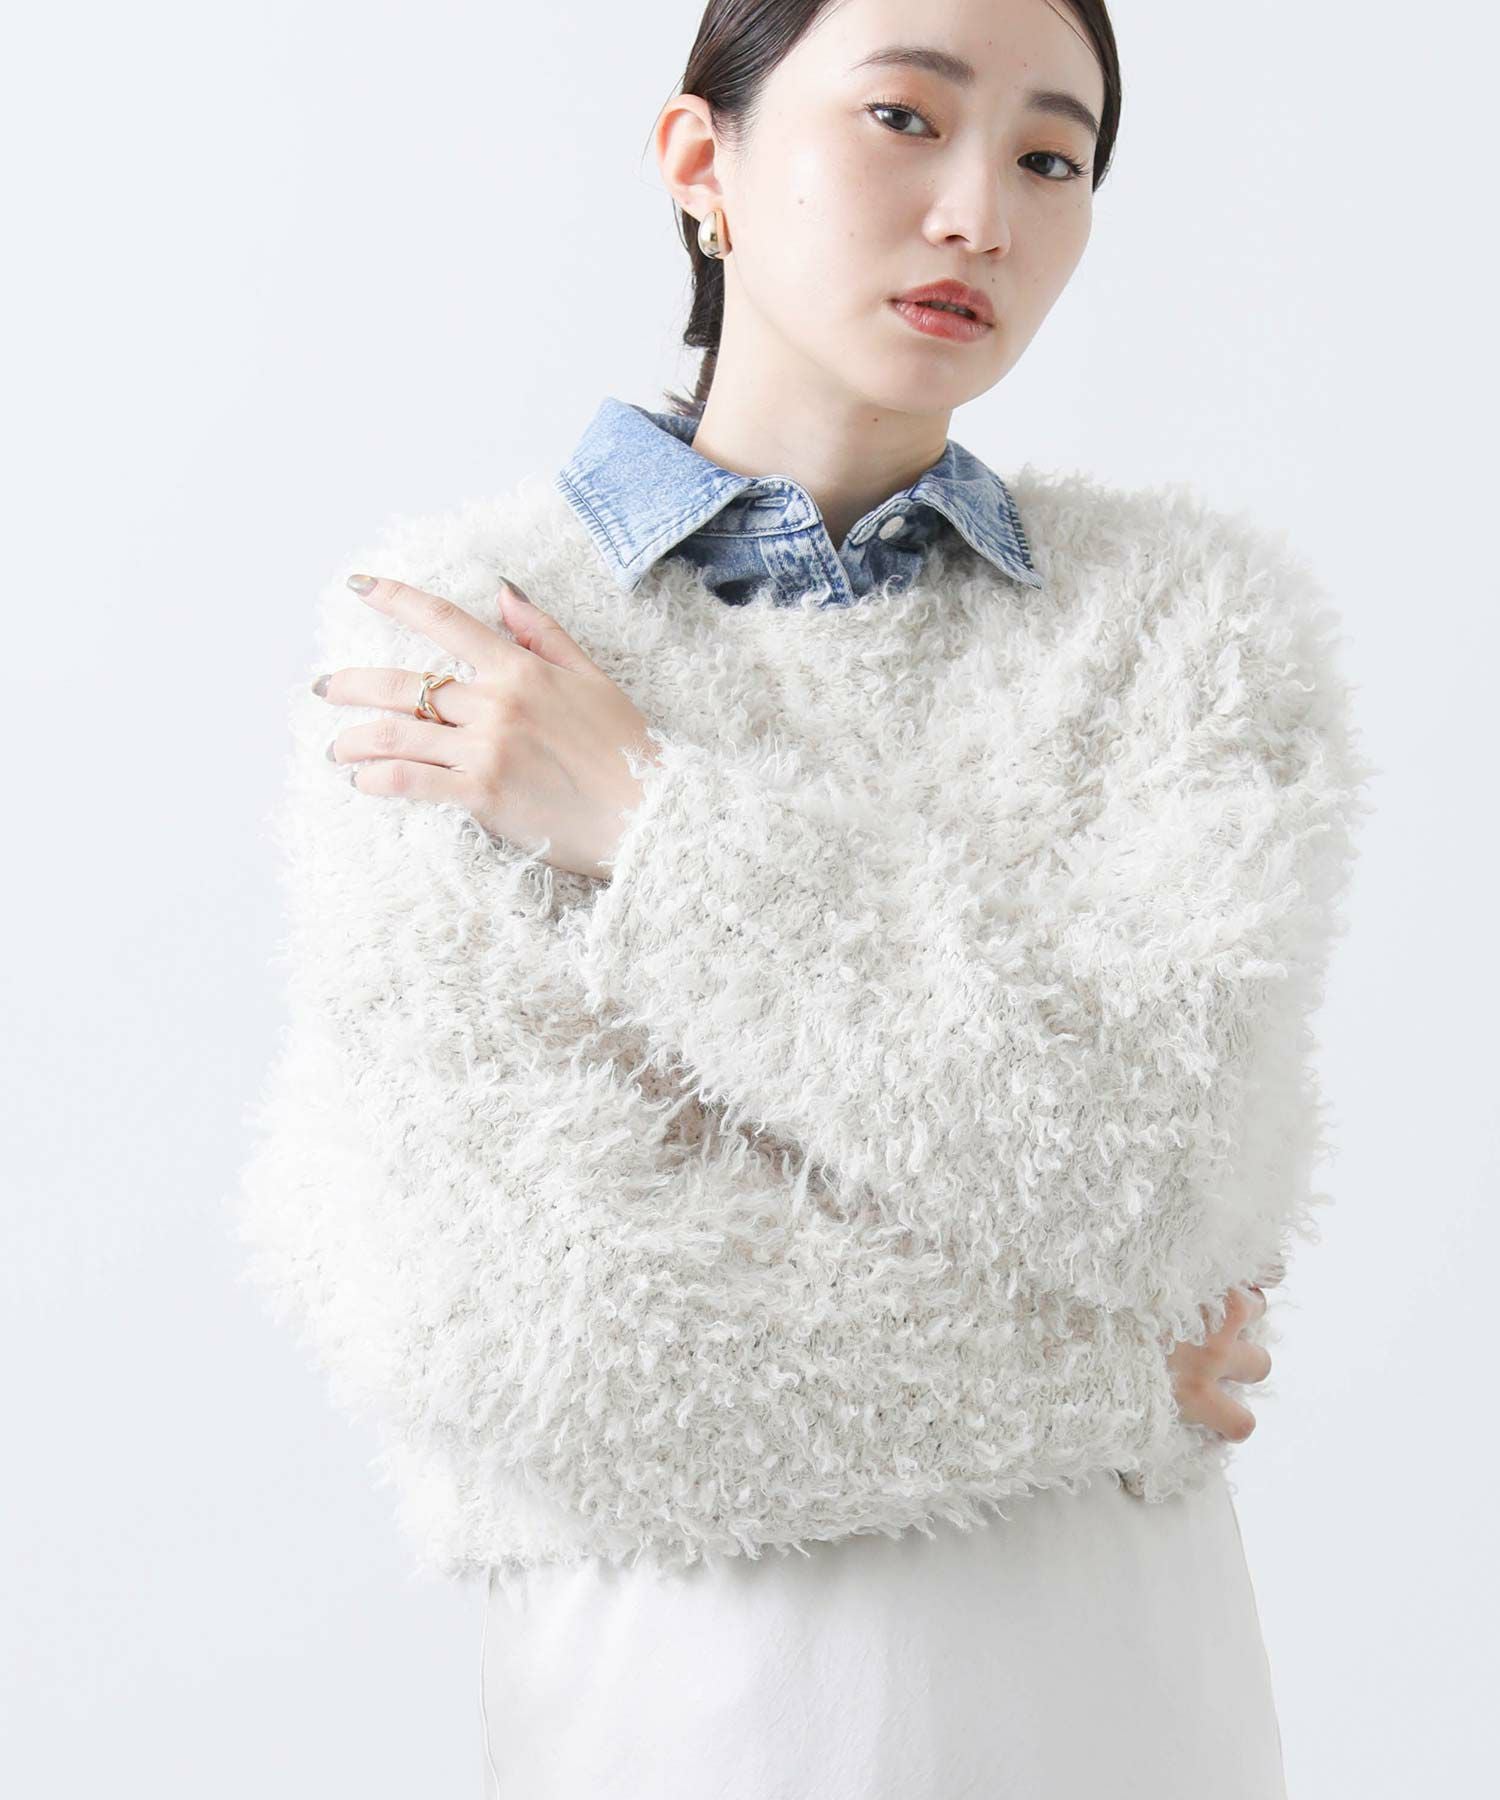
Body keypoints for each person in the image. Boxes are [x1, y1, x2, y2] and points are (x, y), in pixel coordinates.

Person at [233, 1, 1372, 1793]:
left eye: (1050, 155)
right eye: (905, 117)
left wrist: (647, 823)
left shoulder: (1188, 630)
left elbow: (1164, 1173)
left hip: (1126, 1696)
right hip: (679, 1705)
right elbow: (521, 1327)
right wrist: (1109, 1381)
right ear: (702, 160)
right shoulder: (468, 636)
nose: (980, 211)